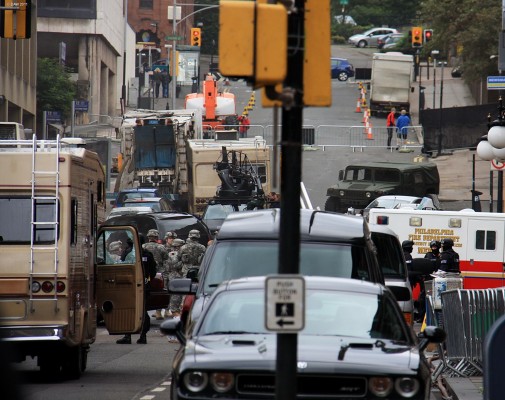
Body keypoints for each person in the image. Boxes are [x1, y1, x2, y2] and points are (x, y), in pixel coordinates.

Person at [117, 234, 156, 344]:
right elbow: (153, 271)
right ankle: (143, 336)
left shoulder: (127, 253)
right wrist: (145, 280)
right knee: (143, 311)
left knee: (129, 310)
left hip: (129, 286)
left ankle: (127, 335)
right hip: (144, 286)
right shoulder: (147, 254)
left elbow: (121, 268)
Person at [143, 229, 169, 319]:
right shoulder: (161, 247)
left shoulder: (143, 246)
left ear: (148, 237)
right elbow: (166, 258)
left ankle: (144, 310)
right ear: (156, 237)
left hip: (147, 273)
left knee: (146, 290)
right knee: (159, 291)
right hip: (159, 272)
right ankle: (158, 312)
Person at [165, 238, 185, 317]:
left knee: (179, 294)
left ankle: (177, 310)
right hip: (175, 276)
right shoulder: (173, 254)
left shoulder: (178, 253)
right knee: (175, 295)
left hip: (178, 275)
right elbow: (174, 265)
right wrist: (183, 262)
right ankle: (174, 311)